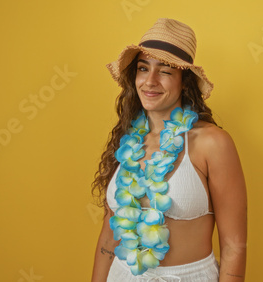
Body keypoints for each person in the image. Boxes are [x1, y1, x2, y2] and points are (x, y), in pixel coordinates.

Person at [91, 18, 247, 282]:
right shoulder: (128, 140)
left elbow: (234, 246)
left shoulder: (212, 143)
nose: (150, 81)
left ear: (184, 82)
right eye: (143, 68)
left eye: (164, 71)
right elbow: (110, 229)